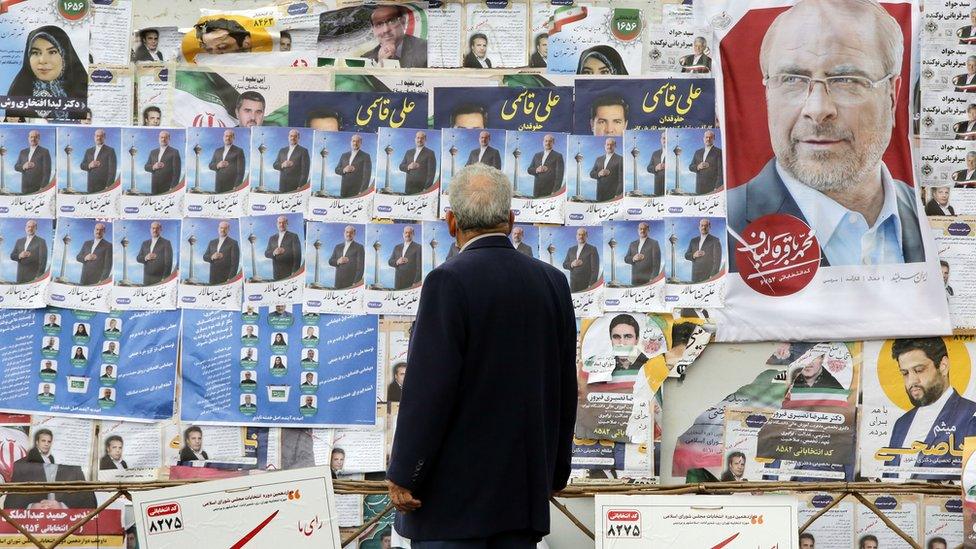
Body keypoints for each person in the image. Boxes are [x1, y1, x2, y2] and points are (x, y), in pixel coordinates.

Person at [386, 163, 576, 544]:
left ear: (451, 222)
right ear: (510, 219)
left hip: (453, 511)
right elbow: (565, 391)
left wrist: (405, 473)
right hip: (522, 505)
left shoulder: (448, 280)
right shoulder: (553, 283)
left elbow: (429, 389)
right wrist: (555, 473)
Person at [728, 0, 925, 269]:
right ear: (767, 94)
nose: (818, 110)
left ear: (892, 97)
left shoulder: (932, 216)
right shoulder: (722, 224)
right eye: (792, 79)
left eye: (847, 80)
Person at [886, 338, 976, 479]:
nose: (911, 381)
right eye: (905, 373)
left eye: (919, 370)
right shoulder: (901, 424)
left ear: (943, 366)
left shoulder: (971, 415)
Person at [5, 26, 87, 120]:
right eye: (35, 53)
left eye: (52, 52)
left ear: (65, 56)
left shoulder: (81, 93)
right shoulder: (17, 95)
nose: (43, 60)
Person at [3, 429, 96, 509]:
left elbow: (90, 503)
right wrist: (31, 507)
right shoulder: (21, 465)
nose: (46, 444)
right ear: (37, 442)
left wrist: (62, 507)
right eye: (43, 441)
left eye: (49, 441)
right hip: (31, 523)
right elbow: (10, 505)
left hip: (68, 523)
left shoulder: (73, 464)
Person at [363, 5, 428, 68]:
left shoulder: (427, 49)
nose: (386, 30)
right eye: (379, 24)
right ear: (373, 30)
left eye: (391, 21)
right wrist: (380, 65)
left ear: (403, 22)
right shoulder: (366, 58)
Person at [264, 215, 302, 281]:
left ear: (287, 224)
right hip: (276, 273)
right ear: (277, 224)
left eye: (283, 222)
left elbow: (297, 256)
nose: (281, 224)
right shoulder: (272, 238)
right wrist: (274, 252)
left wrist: (295, 272)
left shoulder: (293, 236)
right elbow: (266, 253)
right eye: (279, 223)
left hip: (289, 272)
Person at [142, 130, 181, 195]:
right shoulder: (153, 152)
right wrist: (154, 166)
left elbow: (177, 172)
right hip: (155, 187)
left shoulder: (174, 152)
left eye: (165, 137)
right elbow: (146, 167)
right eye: (161, 137)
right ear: (158, 138)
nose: (163, 139)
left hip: (168, 188)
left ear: (169, 139)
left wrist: (173, 188)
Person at [136, 221, 173, 285]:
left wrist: (165, 279)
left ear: (160, 229)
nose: (155, 230)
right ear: (150, 229)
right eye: (153, 228)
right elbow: (138, 258)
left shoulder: (166, 243)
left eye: (157, 228)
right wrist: (146, 257)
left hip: (160, 279)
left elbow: (168, 263)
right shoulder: (145, 243)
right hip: (147, 279)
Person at [684, 219, 722, 283]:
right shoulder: (693, 241)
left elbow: (717, 260)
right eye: (702, 225)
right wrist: (693, 255)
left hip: (708, 275)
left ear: (709, 227)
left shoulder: (715, 240)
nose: (703, 227)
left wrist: (713, 275)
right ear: (699, 227)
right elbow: (686, 255)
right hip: (695, 276)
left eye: (706, 226)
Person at [80, 129, 118, 193]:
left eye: (101, 136)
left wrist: (109, 186)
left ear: (104, 137)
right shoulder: (88, 151)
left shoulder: (110, 151)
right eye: (97, 136)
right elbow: (82, 165)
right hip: (91, 186)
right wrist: (89, 165)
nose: (99, 138)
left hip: (104, 186)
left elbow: (112, 170)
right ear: (94, 137)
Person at [14, 130, 51, 195]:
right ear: (28, 138)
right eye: (31, 137)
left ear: (38, 138)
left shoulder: (44, 151)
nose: (33, 139)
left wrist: (43, 187)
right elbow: (16, 167)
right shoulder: (23, 152)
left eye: (35, 137)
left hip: (38, 188)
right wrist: (23, 166)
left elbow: (47, 172)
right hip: (25, 187)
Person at [562, 227, 599, 292]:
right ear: (576, 236)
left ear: (586, 236)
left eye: (583, 234)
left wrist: (592, 284)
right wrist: (572, 264)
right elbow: (564, 264)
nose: (581, 236)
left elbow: (595, 269)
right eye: (579, 234)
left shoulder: (592, 249)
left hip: (586, 284)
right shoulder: (571, 250)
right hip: (573, 284)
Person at [527, 133, 564, 198]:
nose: (548, 143)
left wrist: (555, 191)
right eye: (546, 141)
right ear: (543, 142)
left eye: (550, 141)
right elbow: (529, 170)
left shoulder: (558, 156)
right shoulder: (537, 155)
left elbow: (559, 176)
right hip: (537, 190)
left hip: (550, 191)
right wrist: (536, 170)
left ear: (553, 143)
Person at [10, 218, 46, 283]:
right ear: (25, 228)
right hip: (20, 277)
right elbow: (12, 256)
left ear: (36, 228)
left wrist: (38, 277)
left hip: (33, 277)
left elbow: (43, 261)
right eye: (28, 227)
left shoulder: (41, 241)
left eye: (33, 227)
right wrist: (19, 256)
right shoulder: (19, 241)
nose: (30, 228)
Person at [204, 220, 240, 284]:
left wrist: (231, 278)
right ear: (218, 229)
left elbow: (235, 263)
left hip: (226, 278)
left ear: (228, 230)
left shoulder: (233, 243)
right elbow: (205, 257)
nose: (222, 230)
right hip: (213, 277)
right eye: (221, 228)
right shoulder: (212, 242)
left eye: (225, 228)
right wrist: (212, 256)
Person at [328, 225, 365, 289]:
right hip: (338, 283)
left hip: (351, 283)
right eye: (347, 232)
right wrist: (338, 261)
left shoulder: (359, 247)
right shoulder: (338, 247)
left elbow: (360, 268)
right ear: (344, 233)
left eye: (351, 232)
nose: (348, 234)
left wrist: (356, 283)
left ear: (354, 234)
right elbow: (330, 261)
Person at [335, 133, 372, 197]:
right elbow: (337, 170)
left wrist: (362, 191)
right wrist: (344, 170)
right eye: (353, 141)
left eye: (358, 141)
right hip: (344, 190)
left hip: (357, 191)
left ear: (361, 143)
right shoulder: (344, 155)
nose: (355, 143)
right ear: (351, 142)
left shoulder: (366, 156)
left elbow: (367, 176)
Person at [688, 130, 723, 194]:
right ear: (703, 138)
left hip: (712, 188)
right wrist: (698, 167)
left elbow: (721, 172)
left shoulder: (719, 152)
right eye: (706, 137)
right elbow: (691, 167)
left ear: (714, 138)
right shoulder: (697, 152)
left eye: (710, 137)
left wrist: (717, 187)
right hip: (699, 188)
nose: (708, 139)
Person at [388, 225, 421, 290]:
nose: (407, 234)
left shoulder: (418, 247)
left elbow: (419, 267)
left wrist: (416, 282)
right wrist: (397, 261)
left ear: (413, 234)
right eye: (406, 232)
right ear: (403, 234)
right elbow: (390, 262)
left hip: (411, 282)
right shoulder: (397, 247)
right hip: (398, 281)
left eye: (410, 233)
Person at [589, 138, 623, 202]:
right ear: (605, 146)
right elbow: (591, 174)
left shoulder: (620, 159)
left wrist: (618, 194)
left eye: (611, 145)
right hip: (600, 194)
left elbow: (621, 179)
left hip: (613, 194)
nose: (609, 146)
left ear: (615, 146)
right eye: (607, 144)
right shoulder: (598, 159)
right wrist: (599, 173)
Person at [647, 132, 667, 197]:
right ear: (661, 140)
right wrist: (656, 168)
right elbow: (649, 168)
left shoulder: (674, 153)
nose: (665, 140)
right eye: (663, 138)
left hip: (668, 188)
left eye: (667, 138)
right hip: (658, 189)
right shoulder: (655, 153)